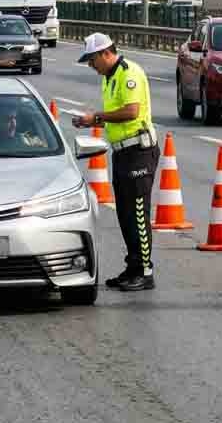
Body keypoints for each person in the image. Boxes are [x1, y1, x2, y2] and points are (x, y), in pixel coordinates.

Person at [71, 33, 158, 292]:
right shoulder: (109, 78)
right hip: (122, 152)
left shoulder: (128, 72)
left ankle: (145, 271)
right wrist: (91, 121)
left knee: (138, 214)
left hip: (139, 151)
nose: (91, 65)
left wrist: (97, 116)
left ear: (105, 53)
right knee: (125, 214)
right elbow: (114, 117)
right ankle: (133, 267)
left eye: (92, 60)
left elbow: (131, 112)